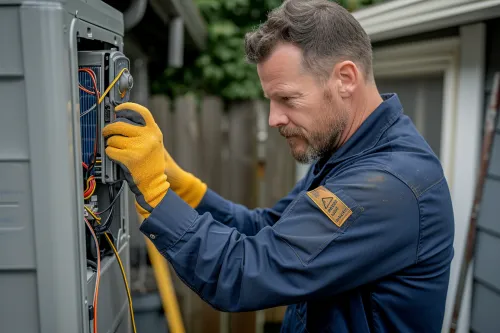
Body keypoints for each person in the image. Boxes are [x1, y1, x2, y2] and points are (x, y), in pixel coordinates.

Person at [102, 0, 455, 331]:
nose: (273, 118)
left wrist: (157, 196)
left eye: (287, 98)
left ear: (345, 79)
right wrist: (184, 190)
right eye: (271, 100)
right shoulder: (348, 154)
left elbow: (244, 272)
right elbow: (268, 228)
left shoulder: (388, 187)